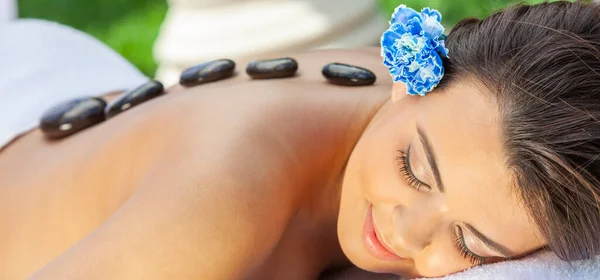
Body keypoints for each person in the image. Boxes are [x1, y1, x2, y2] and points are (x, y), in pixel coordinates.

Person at [1, 1, 600, 279]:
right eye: (414, 169)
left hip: (72, 93)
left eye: (470, 243)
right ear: (411, 82)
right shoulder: (214, 212)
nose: (404, 230)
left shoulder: (451, 108)